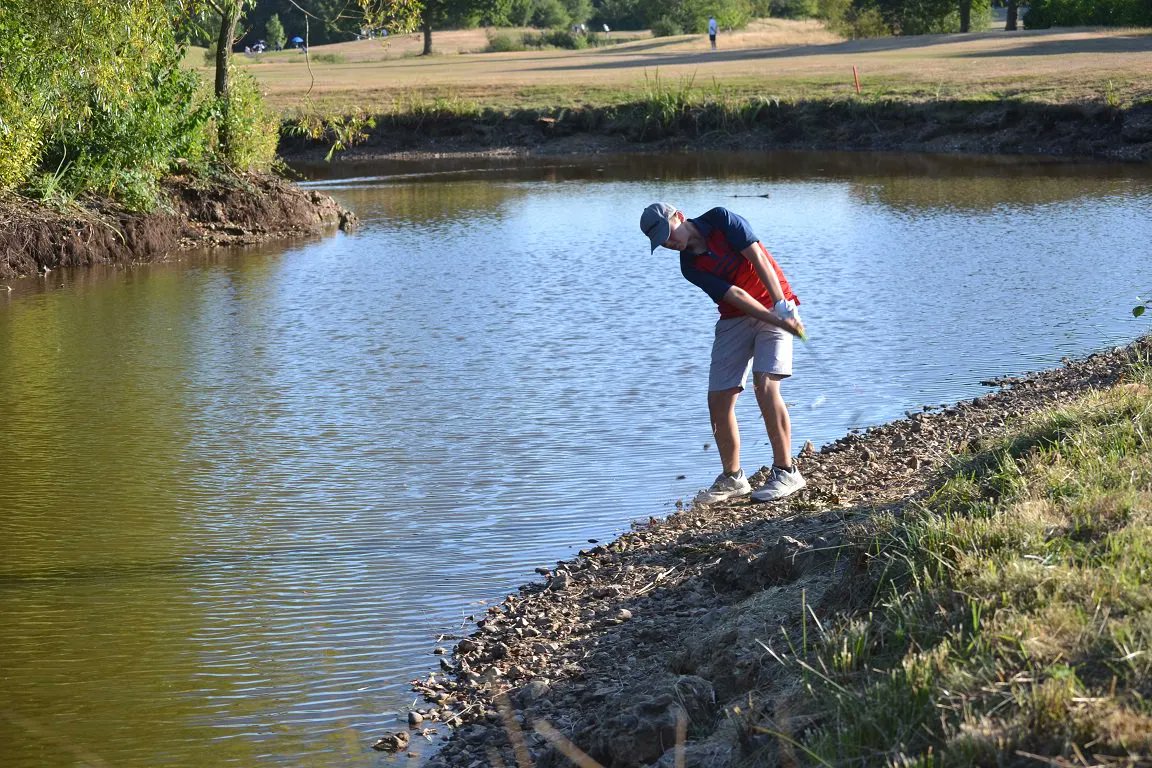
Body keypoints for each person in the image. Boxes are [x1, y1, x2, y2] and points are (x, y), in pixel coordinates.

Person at [640, 202, 808, 505]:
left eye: (668, 233)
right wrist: (777, 320)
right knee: (718, 398)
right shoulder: (689, 267)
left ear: (679, 216)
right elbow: (736, 296)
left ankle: (786, 472)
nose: (669, 243)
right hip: (735, 317)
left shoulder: (721, 219)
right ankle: (733, 478)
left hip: (774, 301)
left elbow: (757, 257)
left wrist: (781, 306)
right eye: (661, 242)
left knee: (765, 384)